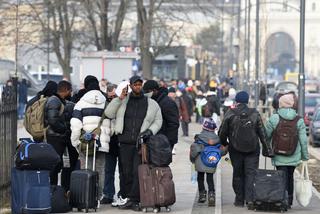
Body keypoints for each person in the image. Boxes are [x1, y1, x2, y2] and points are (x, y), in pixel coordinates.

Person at [105, 75, 162, 211]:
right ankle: (127, 197)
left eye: (139, 84)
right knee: (125, 172)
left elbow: (158, 120)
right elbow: (108, 113)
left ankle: (135, 199)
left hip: (140, 143)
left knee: (137, 172)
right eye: (135, 85)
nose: (137, 87)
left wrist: (149, 132)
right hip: (124, 142)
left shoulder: (150, 103)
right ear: (130, 86)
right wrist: (119, 98)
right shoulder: (123, 101)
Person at [218, 91, 273, 210]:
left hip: (235, 149)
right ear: (247, 101)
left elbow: (222, 132)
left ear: (236, 101)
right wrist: (267, 149)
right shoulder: (255, 113)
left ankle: (239, 200)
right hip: (253, 149)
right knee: (250, 174)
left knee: (237, 174)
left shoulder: (230, 113)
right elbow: (262, 133)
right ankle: (250, 199)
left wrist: (225, 143)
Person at [264, 93, 309, 209]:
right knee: (290, 177)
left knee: (281, 177)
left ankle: (281, 199)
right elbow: (304, 140)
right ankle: (289, 201)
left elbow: (266, 136)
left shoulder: (275, 118)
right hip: (293, 155)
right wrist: (305, 157)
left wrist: (266, 149)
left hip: (278, 156)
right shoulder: (298, 120)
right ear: (292, 105)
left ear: (280, 104)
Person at [70, 76, 111, 198]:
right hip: (101, 142)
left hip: (85, 142)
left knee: (85, 168)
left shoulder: (80, 103)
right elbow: (111, 123)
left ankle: (86, 196)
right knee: (100, 170)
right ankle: (97, 196)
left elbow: (76, 125)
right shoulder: (106, 103)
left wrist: (75, 142)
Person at [190, 118, 225, 207]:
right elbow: (222, 151)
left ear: (204, 128)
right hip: (211, 162)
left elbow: (194, 151)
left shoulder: (199, 138)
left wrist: (192, 159)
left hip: (200, 162)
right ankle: (211, 195)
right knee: (210, 179)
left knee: (200, 178)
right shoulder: (217, 139)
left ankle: (202, 195)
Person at [45, 80, 72, 185]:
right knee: (54, 165)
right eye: (70, 90)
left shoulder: (58, 100)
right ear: (65, 90)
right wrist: (64, 129)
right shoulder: (54, 101)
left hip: (57, 137)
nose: (71, 93)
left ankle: (53, 188)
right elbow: (52, 120)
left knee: (56, 165)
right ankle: (52, 188)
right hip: (55, 138)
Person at [143, 80, 180, 150]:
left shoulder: (167, 103)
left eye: (147, 92)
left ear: (154, 90)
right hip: (155, 140)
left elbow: (173, 124)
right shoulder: (154, 101)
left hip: (164, 142)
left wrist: (167, 142)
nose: (146, 94)